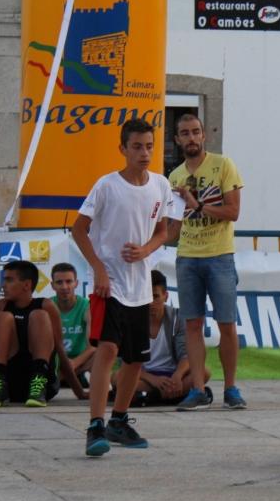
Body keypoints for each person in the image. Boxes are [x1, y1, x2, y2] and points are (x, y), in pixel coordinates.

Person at [72, 118, 172, 456]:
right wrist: (98, 268)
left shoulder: (160, 185)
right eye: (137, 146)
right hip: (109, 284)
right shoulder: (107, 186)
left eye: (149, 146)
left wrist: (146, 250)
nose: (144, 153)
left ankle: (119, 419)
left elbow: (163, 231)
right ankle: (95, 424)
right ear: (123, 149)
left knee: (135, 359)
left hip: (140, 286)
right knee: (108, 350)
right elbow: (79, 229)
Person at [167, 113, 245, 411]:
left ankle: (231, 388)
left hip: (219, 255)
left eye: (195, 132)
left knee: (226, 323)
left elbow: (233, 212)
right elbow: (173, 226)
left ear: (204, 136)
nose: (191, 138)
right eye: (185, 133)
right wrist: (148, 243)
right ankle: (198, 389)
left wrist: (198, 204)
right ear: (177, 139)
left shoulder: (223, 165)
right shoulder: (174, 177)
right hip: (187, 256)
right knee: (192, 325)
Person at [0, 260, 79, 408]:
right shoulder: (1, 305)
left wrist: (79, 391)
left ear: (27, 285)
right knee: (3, 317)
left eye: (9, 280)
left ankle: (38, 381)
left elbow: (59, 348)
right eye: (4, 280)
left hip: (43, 386)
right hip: (12, 384)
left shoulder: (46, 305)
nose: (3, 285)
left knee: (39, 315)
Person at [118, 269, 210, 407]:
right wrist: (154, 380)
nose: (150, 303)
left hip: (172, 376)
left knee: (204, 372)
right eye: (146, 297)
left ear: (165, 296)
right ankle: (175, 395)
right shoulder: (131, 320)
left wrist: (178, 375)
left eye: (155, 296)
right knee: (116, 377)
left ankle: (149, 396)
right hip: (145, 376)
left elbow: (187, 354)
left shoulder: (178, 318)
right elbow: (126, 362)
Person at [49, 262, 93, 397]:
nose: (64, 287)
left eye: (69, 281)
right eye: (59, 282)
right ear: (52, 285)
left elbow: (93, 345)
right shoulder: (47, 306)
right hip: (57, 362)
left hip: (79, 363)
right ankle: (59, 378)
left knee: (103, 351)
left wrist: (74, 363)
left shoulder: (87, 306)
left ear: (76, 283)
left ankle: (97, 389)